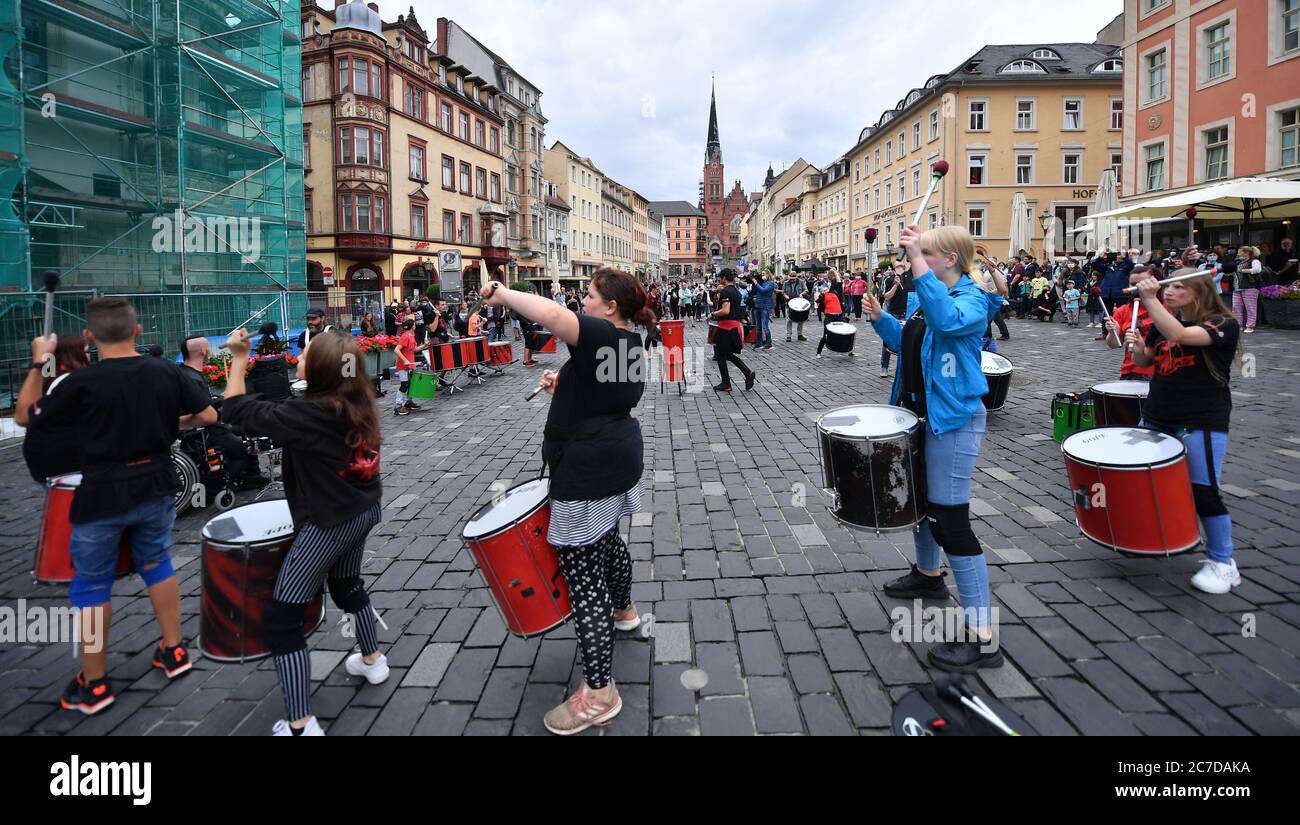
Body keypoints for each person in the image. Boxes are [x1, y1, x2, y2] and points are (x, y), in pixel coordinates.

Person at [16, 298, 217, 714]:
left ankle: (94, 684)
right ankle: (175, 650)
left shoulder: (78, 383)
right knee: (158, 563)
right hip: (158, 483)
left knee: (91, 585)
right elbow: (209, 416)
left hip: (102, 491)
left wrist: (40, 362)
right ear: (138, 331)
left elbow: (24, 417)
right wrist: (166, 424)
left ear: (89, 336)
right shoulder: (165, 370)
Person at [480, 269, 653, 735]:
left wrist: (503, 293)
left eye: (591, 295)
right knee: (608, 540)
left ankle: (599, 692)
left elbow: (555, 316)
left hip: (589, 469)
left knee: (581, 573)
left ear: (610, 306)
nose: (584, 301)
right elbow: (608, 392)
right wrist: (569, 382)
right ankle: (626, 611)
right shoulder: (628, 341)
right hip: (617, 457)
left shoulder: (599, 332)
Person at [221, 328, 385, 735]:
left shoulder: (309, 413)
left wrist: (239, 358)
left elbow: (237, 409)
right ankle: (372, 660)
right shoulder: (357, 398)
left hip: (330, 524)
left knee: (281, 620)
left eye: (307, 352)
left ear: (322, 369)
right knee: (347, 585)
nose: (299, 353)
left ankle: (299, 724)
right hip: (362, 510)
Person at [865, 225, 1003, 672]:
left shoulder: (972, 300)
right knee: (922, 505)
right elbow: (912, 346)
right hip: (920, 415)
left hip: (954, 422)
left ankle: (984, 636)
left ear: (950, 258)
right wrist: (880, 320)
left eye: (925, 253)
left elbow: (947, 323)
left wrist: (918, 268)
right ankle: (928, 576)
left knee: (951, 520)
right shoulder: (930, 295)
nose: (914, 260)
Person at [1125, 271, 1242, 594]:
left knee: (1203, 490)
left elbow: (1181, 334)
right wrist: (1135, 345)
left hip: (1200, 420)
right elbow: (1144, 360)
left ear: (1199, 292)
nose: (1169, 291)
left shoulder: (1222, 324)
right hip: (1157, 416)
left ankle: (1223, 562)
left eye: (1179, 287)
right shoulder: (1160, 327)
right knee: (1140, 477)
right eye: (1169, 286)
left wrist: (1150, 298)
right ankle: (1163, 535)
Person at [178, 334, 267, 489]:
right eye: (208, 348)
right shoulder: (193, 379)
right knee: (244, 448)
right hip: (207, 432)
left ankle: (252, 475)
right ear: (203, 350)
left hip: (203, 428)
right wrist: (223, 397)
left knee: (244, 427)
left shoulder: (186, 373)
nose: (210, 351)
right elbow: (205, 410)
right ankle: (222, 483)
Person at [22, 335, 89, 483]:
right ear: (71, 355)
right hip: (65, 462)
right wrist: (40, 359)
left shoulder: (50, 380)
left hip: (45, 460)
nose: (88, 357)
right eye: (85, 352)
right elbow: (23, 416)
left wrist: (44, 357)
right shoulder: (69, 382)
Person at [1103, 265, 1158, 381]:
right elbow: (1114, 344)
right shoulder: (1122, 310)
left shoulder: (1167, 307)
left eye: (1143, 283)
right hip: (1131, 371)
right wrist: (1114, 332)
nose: (1137, 287)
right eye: (1133, 284)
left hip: (1160, 372)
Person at [709, 269, 757, 392]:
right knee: (728, 354)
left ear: (725, 277)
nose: (720, 279)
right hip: (735, 326)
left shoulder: (725, 291)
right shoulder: (736, 291)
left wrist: (713, 314)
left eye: (721, 277)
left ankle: (726, 383)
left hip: (726, 327)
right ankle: (747, 373)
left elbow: (726, 310)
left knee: (720, 354)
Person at [393, 317, 431, 416]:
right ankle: (397, 406)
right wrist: (405, 360)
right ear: (411, 326)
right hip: (404, 365)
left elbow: (414, 350)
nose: (415, 326)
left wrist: (424, 345)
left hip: (410, 364)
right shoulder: (405, 336)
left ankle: (409, 402)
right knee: (404, 384)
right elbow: (397, 350)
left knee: (411, 384)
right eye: (414, 324)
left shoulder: (411, 336)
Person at [879, 261, 910, 377]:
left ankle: (904, 367)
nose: (900, 267)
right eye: (897, 266)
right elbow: (886, 297)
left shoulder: (908, 278)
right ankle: (884, 366)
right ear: (893, 268)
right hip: (894, 313)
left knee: (907, 341)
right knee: (888, 340)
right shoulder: (889, 279)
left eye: (902, 265)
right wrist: (895, 285)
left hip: (907, 313)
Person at [1232, 246, 1264, 334]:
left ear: (1246, 253)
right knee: (1236, 307)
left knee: (1250, 307)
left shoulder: (1254, 261)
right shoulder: (1238, 262)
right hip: (1237, 287)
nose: (1238, 253)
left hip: (1250, 286)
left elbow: (1257, 270)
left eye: (1239, 251)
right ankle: (1238, 325)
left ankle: (1250, 326)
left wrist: (1243, 270)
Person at [814, 285, 849, 357]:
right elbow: (817, 302)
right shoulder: (823, 296)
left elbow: (838, 284)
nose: (825, 290)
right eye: (823, 290)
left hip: (839, 316)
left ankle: (850, 351)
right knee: (826, 335)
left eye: (826, 289)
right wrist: (819, 295)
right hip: (830, 317)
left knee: (847, 333)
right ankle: (818, 352)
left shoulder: (835, 293)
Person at [752, 272, 775, 349]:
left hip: (765, 306)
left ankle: (768, 342)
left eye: (764, 274)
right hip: (758, 305)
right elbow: (755, 291)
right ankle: (759, 342)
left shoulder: (771, 283)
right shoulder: (761, 283)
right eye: (761, 274)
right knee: (758, 326)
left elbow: (763, 291)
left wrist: (756, 283)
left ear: (769, 274)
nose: (762, 275)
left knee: (764, 326)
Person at [785, 273, 809, 342]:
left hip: (799, 302)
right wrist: (785, 296)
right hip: (789, 302)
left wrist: (802, 293)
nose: (792, 280)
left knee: (801, 319)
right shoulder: (786, 283)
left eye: (794, 279)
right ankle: (788, 335)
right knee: (788, 319)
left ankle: (800, 335)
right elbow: (783, 292)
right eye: (791, 279)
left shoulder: (801, 282)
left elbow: (806, 290)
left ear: (796, 277)